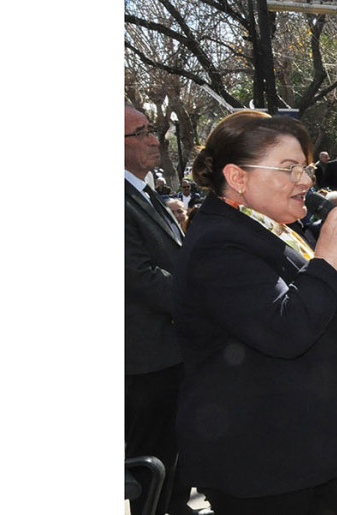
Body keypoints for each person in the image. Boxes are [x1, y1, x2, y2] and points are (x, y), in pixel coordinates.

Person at [172, 110, 337, 513]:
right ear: (238, 177)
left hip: (295, 449)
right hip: (261, 461)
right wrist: (327, 255)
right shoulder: (218, 243)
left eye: (306, 168)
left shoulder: (257, 224)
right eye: (290, 169)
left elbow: (318, 290)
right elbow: (287, 328)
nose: (307, 181)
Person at [124, 105, 194, 515]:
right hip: (146, 359)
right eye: (141, 132)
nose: (154, 139)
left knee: (175, 447)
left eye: (152, 130)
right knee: (151, 457)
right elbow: (139, 275)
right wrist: (200, 297)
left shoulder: (142, 188)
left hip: (171, 348)